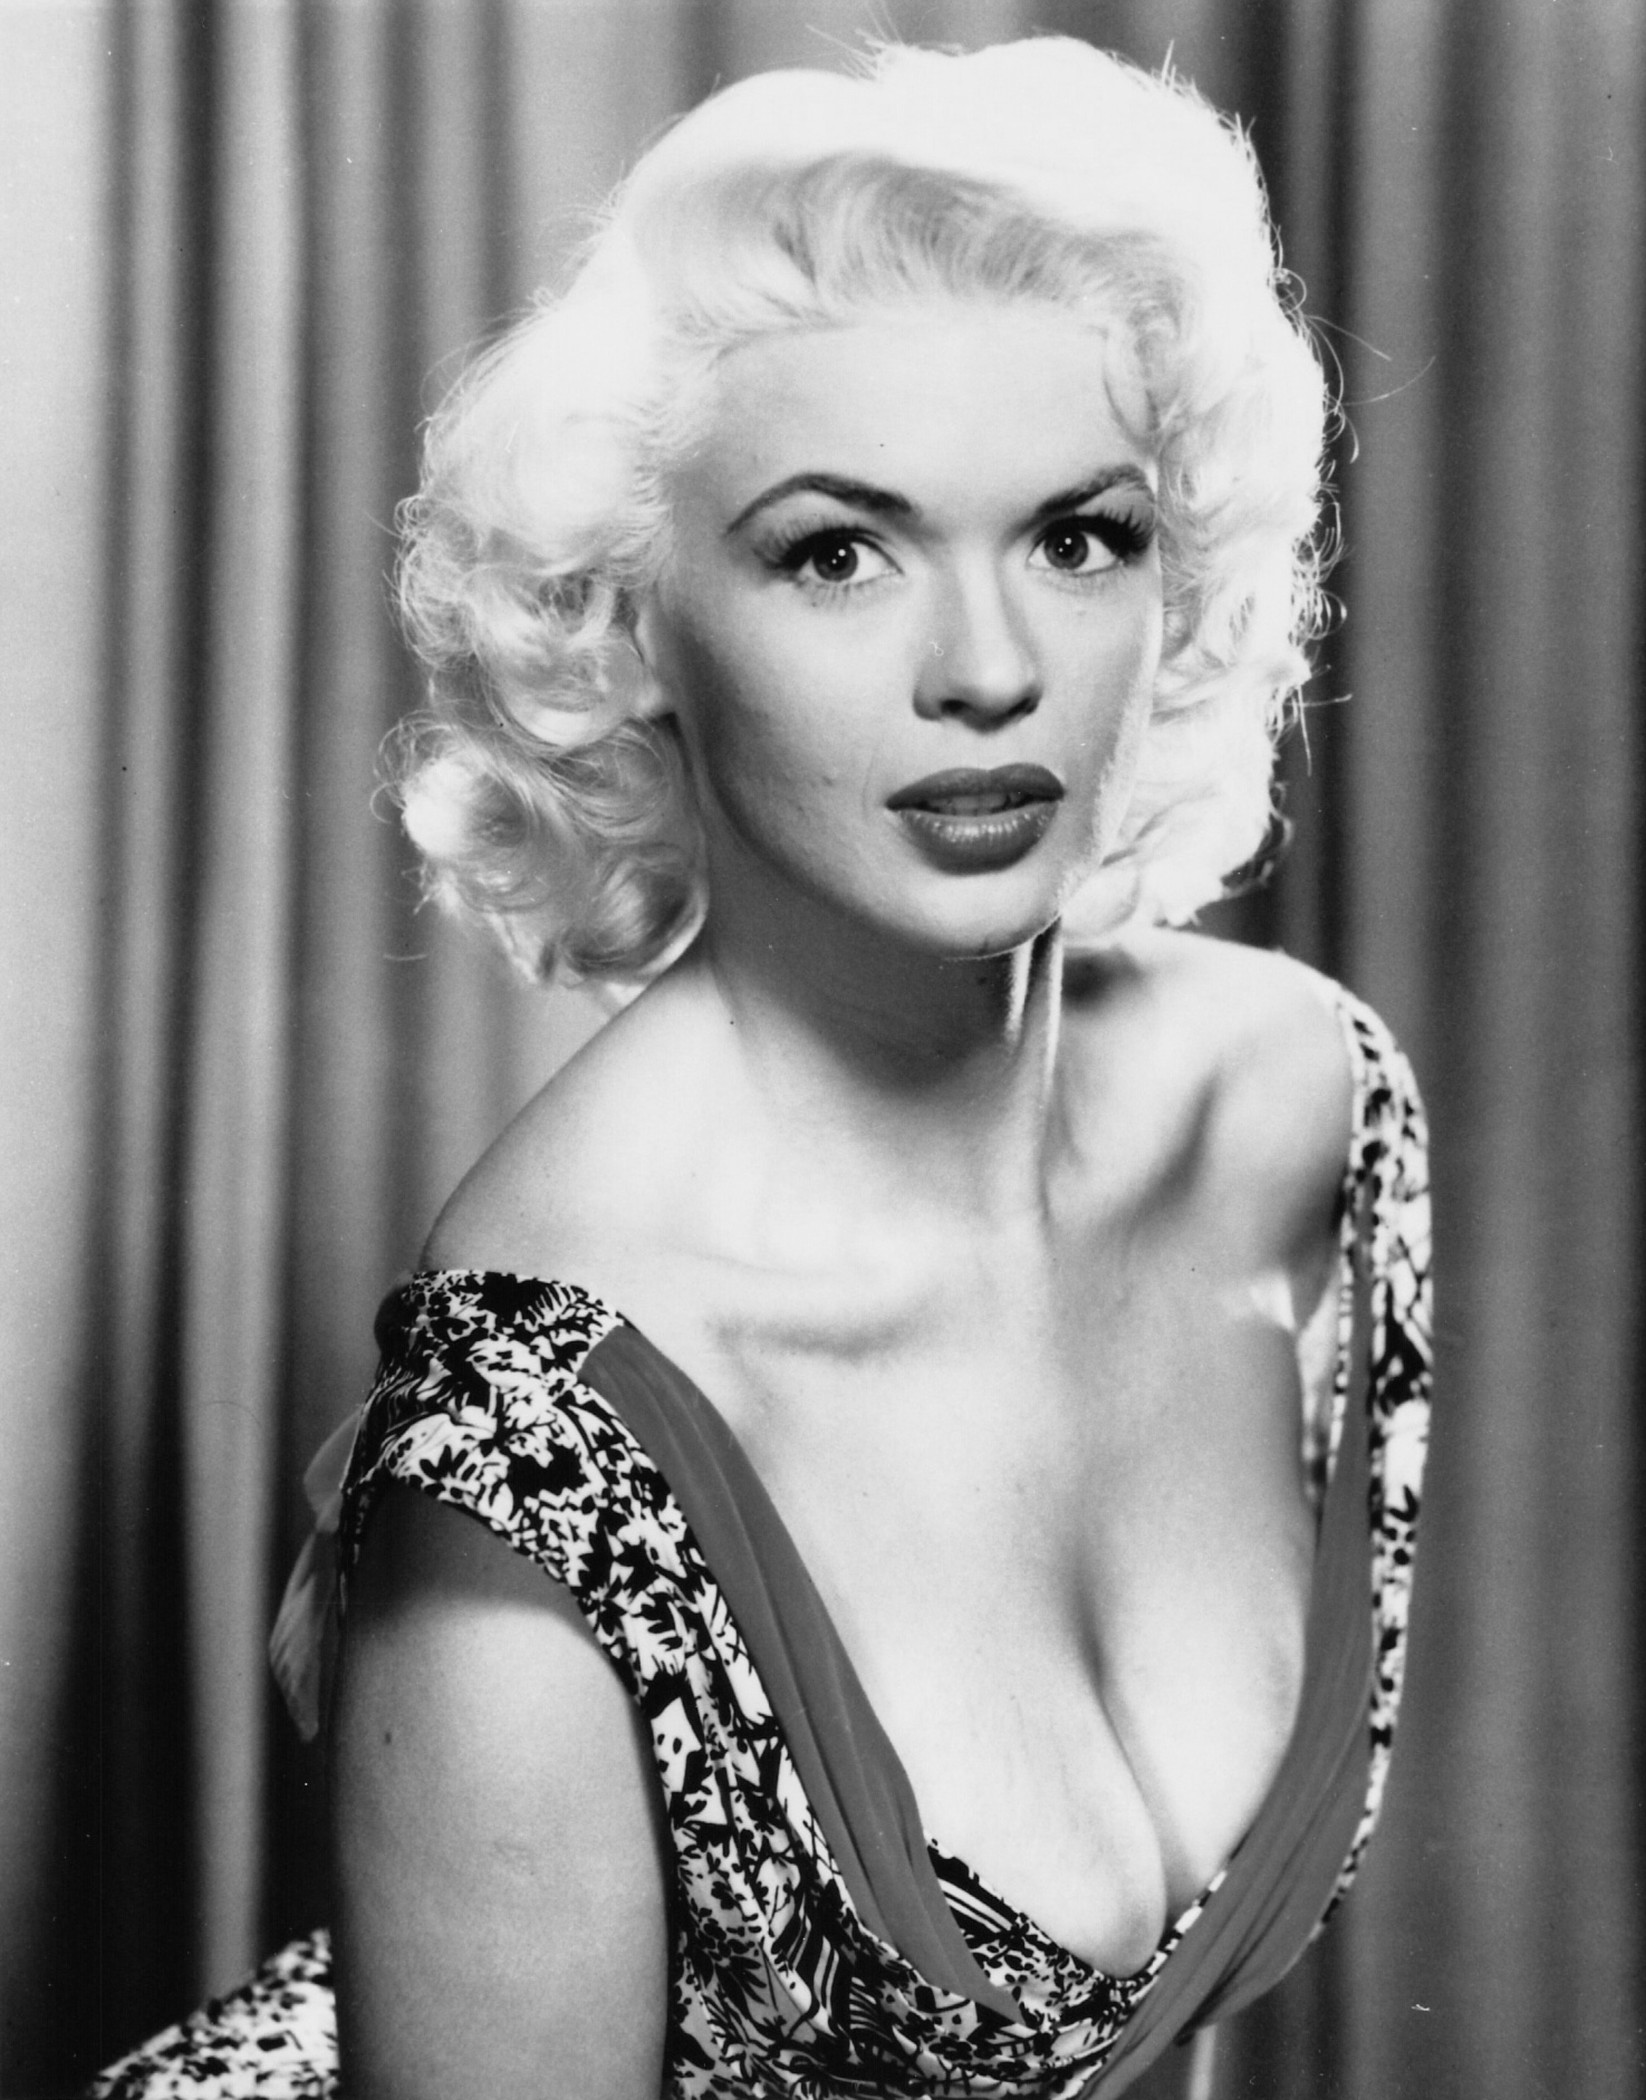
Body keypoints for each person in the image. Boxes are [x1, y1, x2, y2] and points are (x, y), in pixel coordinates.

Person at [93, 36, 1431, 2100]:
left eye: (1076, 537)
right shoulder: (538, 1441)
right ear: (631, 624)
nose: (986, 667)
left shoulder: (1301, 1119)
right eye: (835, 552)